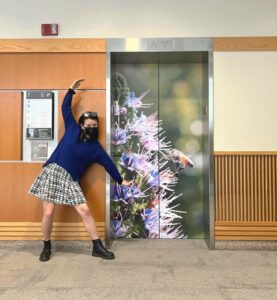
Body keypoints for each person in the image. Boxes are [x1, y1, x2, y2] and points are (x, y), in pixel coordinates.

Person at [29, 79, 129, 262]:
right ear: (82, 125)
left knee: (84, 210)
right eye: (88, 124)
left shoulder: (96, 149)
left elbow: (108, 164)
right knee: (48, 212)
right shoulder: (72, 128)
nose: (91, 127)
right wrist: (70, 90)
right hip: (52, 172)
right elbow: (65, 109)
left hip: (70, 179)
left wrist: (121, 180)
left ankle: (97, 247)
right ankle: (46, 246)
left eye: (94, 125)